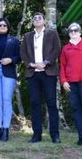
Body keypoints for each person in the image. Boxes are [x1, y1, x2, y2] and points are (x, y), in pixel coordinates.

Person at [20, 12, 61, 143]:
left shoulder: (52, 33)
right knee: (35, 103)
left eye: (39, 18)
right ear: (33, 22)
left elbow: (57, 49)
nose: (37, 20)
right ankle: (36, 135)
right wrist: (30, 64)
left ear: (44, 21)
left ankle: (55, 135)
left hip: (48, 72)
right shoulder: (27, 36)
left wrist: (46, 62)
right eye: (35, 18)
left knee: (51, 103)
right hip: (33, 74)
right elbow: (23, 53)